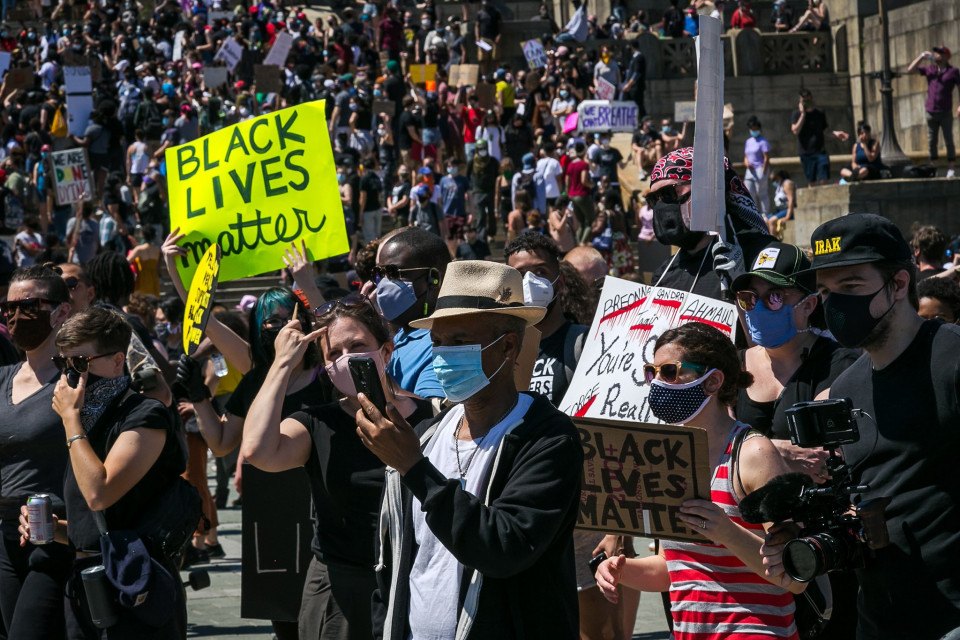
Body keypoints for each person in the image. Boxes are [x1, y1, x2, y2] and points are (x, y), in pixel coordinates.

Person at [357, 260, 582, 639]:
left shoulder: (547, 438)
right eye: (438, 344)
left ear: (508, 346)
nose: (443, 357)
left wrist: (415, 469)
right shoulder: (427, 436)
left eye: (459, 342)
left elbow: (503, 548)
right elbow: (392, 565)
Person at [762, 213, 960, 639]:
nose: (836, 305)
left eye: (851, 288)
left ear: (900, 284)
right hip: (878, 616)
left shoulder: (951, 358)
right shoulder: (846, 387)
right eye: (827, 291)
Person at [239, 295, 434, 640]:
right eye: (334, 354)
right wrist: (282, 365)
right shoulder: (316, 424)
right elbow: (257, 450)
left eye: (358, 345)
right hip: (341, 592)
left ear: (386, 350)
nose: (347, 360)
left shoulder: (431, 416)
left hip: (416, 584)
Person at [595, 322, 802, 638]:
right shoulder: (669, 457)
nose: (658, 384)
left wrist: (726, 531)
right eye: (652, 373)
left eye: (669, 372)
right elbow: (674, 569)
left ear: (713, 381)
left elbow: (794, 574)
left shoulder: (751, 453)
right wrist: (622, 571)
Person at [49, 306, 188, 637]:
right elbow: (101, 526)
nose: (71, 376)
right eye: (63, 364)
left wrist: (70, 422)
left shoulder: (144, 415)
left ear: (116, 361)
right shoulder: (87, 421)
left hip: (136, 583)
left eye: (80, 364)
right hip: (87, 583)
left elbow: (100, 493)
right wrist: (57, 529)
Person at [0, 265, 73, 640]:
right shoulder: (3, 378)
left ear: (60, 312)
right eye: (7, 308)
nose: (14, 316)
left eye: (26, 306)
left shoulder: (78, 380)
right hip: (6, 536)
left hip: (56, 533)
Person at [647, 147, 772, 302]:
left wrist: (744, 285)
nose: (661, 206)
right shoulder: (664, 274)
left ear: (705, 190)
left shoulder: (760, 255)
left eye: (668, 194)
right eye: (654, 199)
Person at [373, 228, 449, 400]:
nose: (384, 284)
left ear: (433, 279)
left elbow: (432, 415)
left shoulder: (441, 343)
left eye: (395, 273)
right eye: (379, 274)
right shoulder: (400, 333)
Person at [907, 46, 960, 177]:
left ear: (946, 56)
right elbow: (910, 70)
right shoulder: (930, 70)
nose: (936, 55)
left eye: (940, 53)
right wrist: (921, 56)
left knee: (948, 140)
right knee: (932, 141)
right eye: (936, 53)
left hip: (945, 112)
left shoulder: (953, 71)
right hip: (931, 111)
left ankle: (951, 168)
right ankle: (933, 168)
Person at [790, 89, 849, 185]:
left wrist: (836, 134)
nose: (806, 103)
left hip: (820, 151)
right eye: (803, 101)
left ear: (812, 99)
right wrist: (803, 115)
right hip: (806, 153)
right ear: (800, 101)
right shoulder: (796, 114)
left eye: (807, 100)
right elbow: (795, 131)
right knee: (811, 181)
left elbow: (825, 131)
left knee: (824, 178)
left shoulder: (819, 113)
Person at [564, 142, 594, 244]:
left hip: (572, 195)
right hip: (582, 195)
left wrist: (568, 193)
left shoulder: (570, 164)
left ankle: (577, 243)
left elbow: (567, 182)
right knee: (590, 221)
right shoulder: (583, 164)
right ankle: (582, 243)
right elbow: (584, 181)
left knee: (581, 222)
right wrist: (592, 185)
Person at [743, 116, 771, 215]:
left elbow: (766, 157)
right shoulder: (748, 142)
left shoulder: (763, 141)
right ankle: (753, 213)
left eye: (755, 128)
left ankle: (765, 213)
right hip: (749, 171)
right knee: (749, 193)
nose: (753, 130)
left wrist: (763, 171)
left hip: (759, 169)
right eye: (752, 129)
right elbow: (746, 156)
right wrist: (746, 163)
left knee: (761, 193)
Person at [127, 225, 161, 296]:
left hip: (141, 279)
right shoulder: (157, 250)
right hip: (153, 279)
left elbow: (127, 261)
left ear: (143, 235)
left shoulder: (139, 249)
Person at [768, 170, 797, 236]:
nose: (773, 181)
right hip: (779, 209)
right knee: (765, 220)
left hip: (787, 209)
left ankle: (773, 243)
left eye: (774, 179)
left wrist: (787, 216)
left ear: (778, 176)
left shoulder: (787, 183)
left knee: (771, 221)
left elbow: (791, 200)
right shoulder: (779, 185)